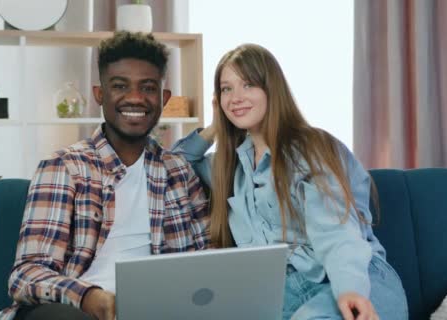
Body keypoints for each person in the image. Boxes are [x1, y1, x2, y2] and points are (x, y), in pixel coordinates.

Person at [172, 44, 407, 320]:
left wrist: (350, 289)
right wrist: (215, 126)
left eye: (248, 85)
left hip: (353, 280)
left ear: (272, 89)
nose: (236, 97)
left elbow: (336, 229)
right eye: (226, 89)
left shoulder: (310, 148)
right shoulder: (229, 167)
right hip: (285, 292)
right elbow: (173, 164)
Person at [0, 32, 210, 320]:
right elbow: (26, 275)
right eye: (120, 86)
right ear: (100, 94)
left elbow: (210, 260)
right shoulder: (64, 167)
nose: (135, 97)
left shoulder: (180, 173)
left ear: (163, 98)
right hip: (73, 311)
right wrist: (87, 297)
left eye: (147, 87)